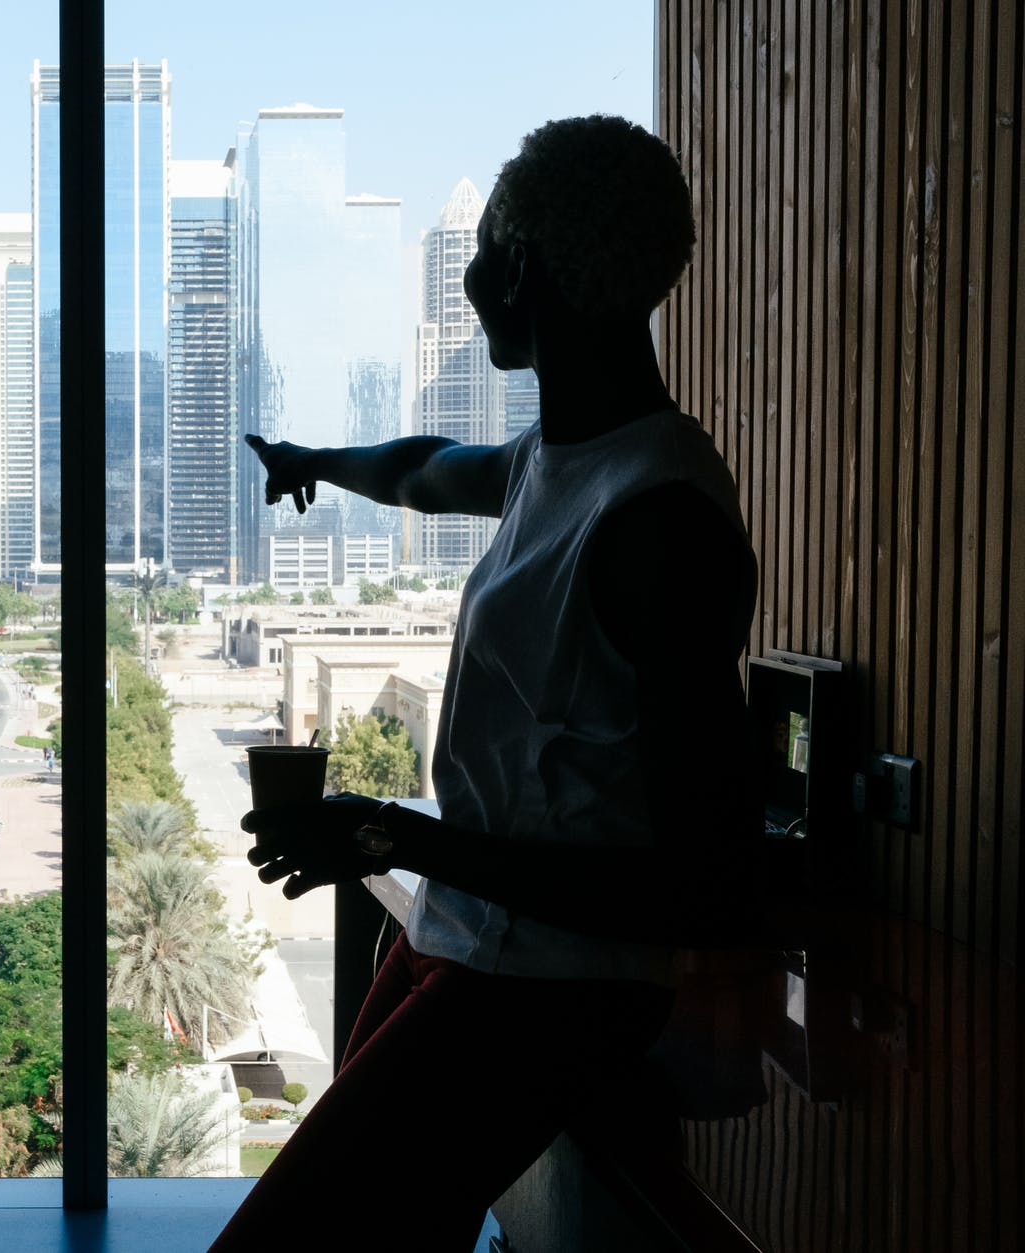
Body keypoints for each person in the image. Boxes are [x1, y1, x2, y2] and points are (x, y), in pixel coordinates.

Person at [210, 116, 762, 1251]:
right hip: (473, 948)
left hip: (547, 991)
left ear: (519, 268)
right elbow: (417, 467)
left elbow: (695, 885)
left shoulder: (654, 518)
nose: (465, 275)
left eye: (485, 247)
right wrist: (314, 463)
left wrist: (394, 837)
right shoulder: (553, 464)